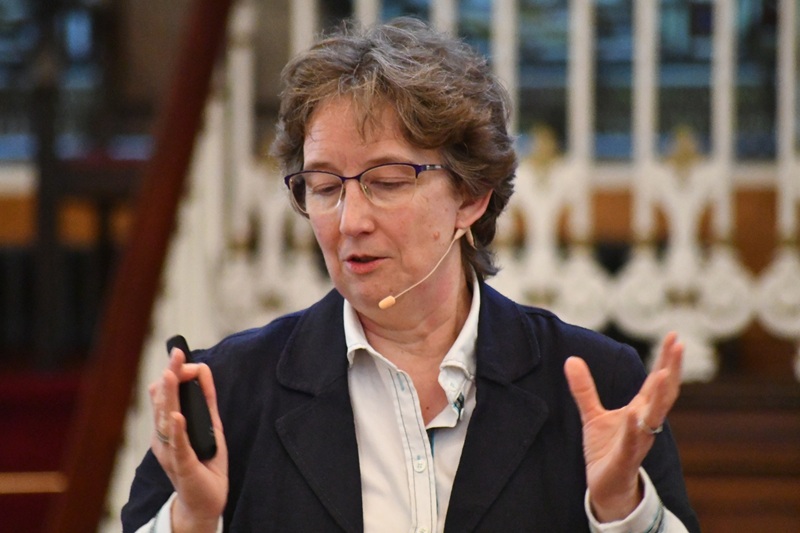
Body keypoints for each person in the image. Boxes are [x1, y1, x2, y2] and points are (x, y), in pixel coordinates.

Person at [122, 17, 700, 532]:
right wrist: (193, 521)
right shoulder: (230, 390)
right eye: (323, 187)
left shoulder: (597, 384)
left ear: (472, 196)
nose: (349, 221)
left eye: (388, 181)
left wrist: (623, 511)